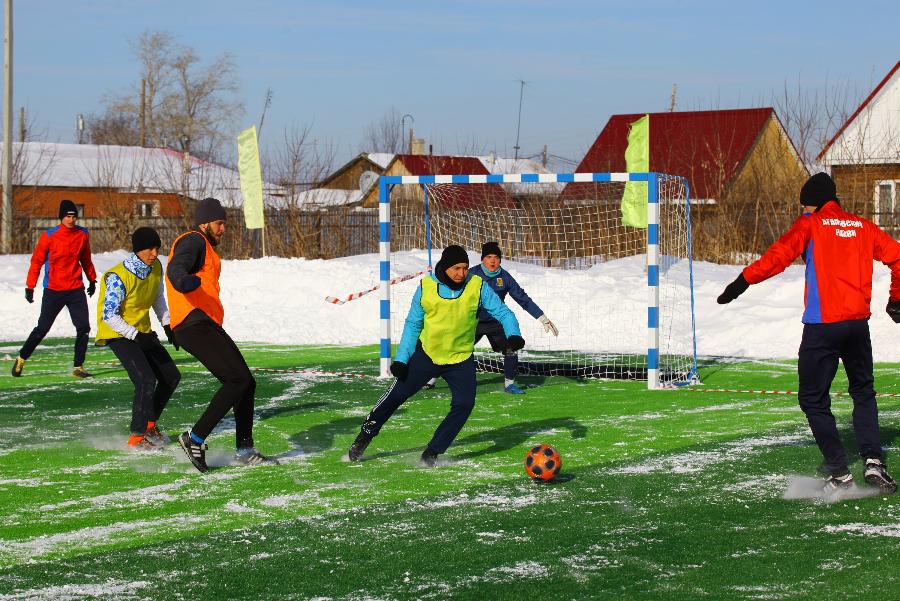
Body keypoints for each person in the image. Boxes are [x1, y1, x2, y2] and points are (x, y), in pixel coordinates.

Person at [717, 172, 899, 495]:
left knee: (812, 399)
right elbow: (898, 257)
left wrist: (742, 281)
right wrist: (897, 298)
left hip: (822, 328)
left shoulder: (811, 224)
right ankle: (873, 461)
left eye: (805, 207)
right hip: (857, 326)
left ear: (813, 205)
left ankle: (840, 472)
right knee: (863, 392)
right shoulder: (862, 226)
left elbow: (778, 257)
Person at [348, 245, 523, 465]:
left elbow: (503, 312)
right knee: (396, 396)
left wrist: (514, 334)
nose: (461, 274)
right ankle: (364, 436)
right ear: (445, 266)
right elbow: (413, 324)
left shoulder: (478, 286)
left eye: (465, 268)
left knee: (464, 404)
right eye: (456, 268)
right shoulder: (427, 286)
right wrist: (402, 359)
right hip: (427, 355)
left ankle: (432, 452)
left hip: (461, 359)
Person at [165, 197, 277, 472]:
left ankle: (244, 449)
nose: (222, 229)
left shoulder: (206, 248)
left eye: (223, 224)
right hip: (193, 324)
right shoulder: (193, 240)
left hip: (203, 323)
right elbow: (176, 268)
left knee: (245, 383)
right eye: (219, 223)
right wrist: (182, 280)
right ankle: (195, 438)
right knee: (237, 380)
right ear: (204, 223)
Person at [424, 240, 557, 394]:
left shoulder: (505, 278)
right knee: (452, 348)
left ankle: (510, 384)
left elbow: (522, 298)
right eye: (489, 257)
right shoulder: (471, 275)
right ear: (482, 259)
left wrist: (541, 317)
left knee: (511, 348)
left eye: (496, 257)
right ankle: (431, 379)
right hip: (473, 321)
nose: (493, 261)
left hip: (496, 322)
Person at [96, 227, 181, 450]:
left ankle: (149, 425)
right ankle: (136, 436)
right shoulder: (117, 276)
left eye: (157, 248)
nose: (154, 253)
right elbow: (109, 316)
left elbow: (157, 296)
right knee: (145, 379)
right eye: (149, 249)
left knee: (171, 376)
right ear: (137, 250)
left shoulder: (155, 267)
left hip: (141, 332)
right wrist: (135, 336)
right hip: (117, 332)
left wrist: (167, 324)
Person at [13, 200, 97, 378]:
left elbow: (86, 258)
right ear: (61, 217)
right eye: (67, 216)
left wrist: (92, 279)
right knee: (42, 328)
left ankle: (78, 366)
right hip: (54, 289)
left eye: (74, 216)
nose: (71, 219)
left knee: (83, 327)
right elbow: (36, 262)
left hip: (75, 288)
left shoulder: (82, 234)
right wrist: (30, 287)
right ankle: (22, 357)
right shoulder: (49, 236)